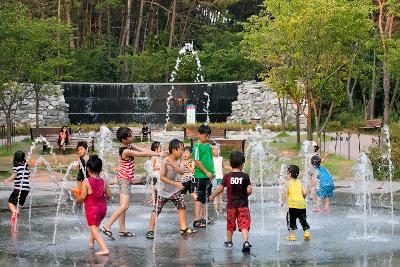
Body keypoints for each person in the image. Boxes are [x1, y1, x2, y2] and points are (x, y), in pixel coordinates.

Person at [101, 127, 159, 239]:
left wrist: (156, 153)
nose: (133, 137)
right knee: (124, 206)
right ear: (124, 139)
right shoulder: (125, 150)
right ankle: (106, 226)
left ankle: (122, 230)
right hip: (124, 180)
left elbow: (142, 150)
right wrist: (158, 154)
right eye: (130, 135)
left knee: (123, 206)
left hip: (124, 179)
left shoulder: (128, 146)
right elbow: (141, 154)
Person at [145, 139, 196, 239]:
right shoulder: (165, 161)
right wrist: (175, 183)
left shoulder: (180, 159)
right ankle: (150, 230)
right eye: (180, 149)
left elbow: (181, 172)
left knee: (181, 206)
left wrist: (173, 166)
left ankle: (183, 228)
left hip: (174, 189)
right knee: (156, 209)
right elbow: (162, 177)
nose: (182, 151)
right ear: (173, 150)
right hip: (162, 189)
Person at [209, 151, 252, 253]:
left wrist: (212, 196)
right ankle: (245, 242)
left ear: (230, 164)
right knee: (244, 224)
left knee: (230, 224)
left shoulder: (227, 176)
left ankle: (229, 242)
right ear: (242, 164)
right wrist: (247, 194)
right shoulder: (245, 176)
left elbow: (220, 189)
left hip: (231, 206)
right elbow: (249, 190)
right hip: (243, 205)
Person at [76, 155, 112, 256]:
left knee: (94, 229)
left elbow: (83, 197)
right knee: (95, 226)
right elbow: (109, 196)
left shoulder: (86, 181)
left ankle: (104, 249)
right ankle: (91, 242)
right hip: (102, 209)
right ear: (101, 169)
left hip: (92, 210)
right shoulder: (104, 181)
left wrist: (77, 200)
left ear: (87, 169)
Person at [192, 124, 215, 228]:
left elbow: (210, 160)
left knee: (206, 198)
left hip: (208, 176)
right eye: (205, 136)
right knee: (199, 198)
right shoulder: (197, 146)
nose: (207, 138)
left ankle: (204, 218)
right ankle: (196, 220)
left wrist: (213, 172)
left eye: (208, 136)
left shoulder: (208, 146)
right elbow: (197, 161)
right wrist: (206, 172)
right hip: (200, 176)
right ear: (199, 134)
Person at [282, 165, 310, 241]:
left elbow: (284, 193)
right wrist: (303, 198)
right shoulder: (299, 182)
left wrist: (282, 201)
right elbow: (304, 193)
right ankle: (306, 232)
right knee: (302, 219)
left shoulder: (287, 183)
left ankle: (292, 235)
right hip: (302, 205)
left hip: (292, 205)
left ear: (290, 174)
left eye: (287, 173)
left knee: (290, 219)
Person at [3, 151, 30, 223]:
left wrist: (8, 180)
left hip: (19, 188)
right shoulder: (26, 167)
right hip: (26, 189)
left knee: (10, 203)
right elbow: (27, 176)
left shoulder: (16, 166)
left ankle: (14, 213)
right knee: (19, 205)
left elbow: (14, 175)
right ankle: (15, 218)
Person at [211, 143, 231, 211]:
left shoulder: (221, 158)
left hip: (220, 175)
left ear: (219, 150)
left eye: (217, 150)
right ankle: (215, 199)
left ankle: (221, 199)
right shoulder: (212, 158)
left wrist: (230, 168)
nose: (216, 151)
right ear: (212, 151)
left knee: (221, 188)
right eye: (214, 150)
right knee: (215, 188)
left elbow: (223, 166)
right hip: (215, 176)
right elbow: (211, 167)